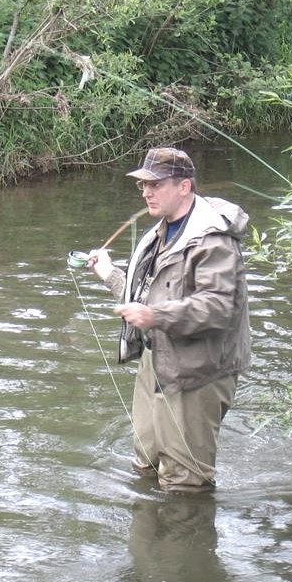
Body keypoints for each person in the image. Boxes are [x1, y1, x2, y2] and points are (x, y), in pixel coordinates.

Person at [88, 146, 251, 492]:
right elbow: (146, 299)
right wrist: (110, 275)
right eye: (143, 185)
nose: (146, 192)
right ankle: (148, 543)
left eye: (156, 184)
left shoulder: (214, 241)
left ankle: (186, 540)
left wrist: (154, 316)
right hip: (157, 362)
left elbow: (218, 306)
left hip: (197, 373)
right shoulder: (162, 232)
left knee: (185, 485)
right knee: (145, 464)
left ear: (184, 187)